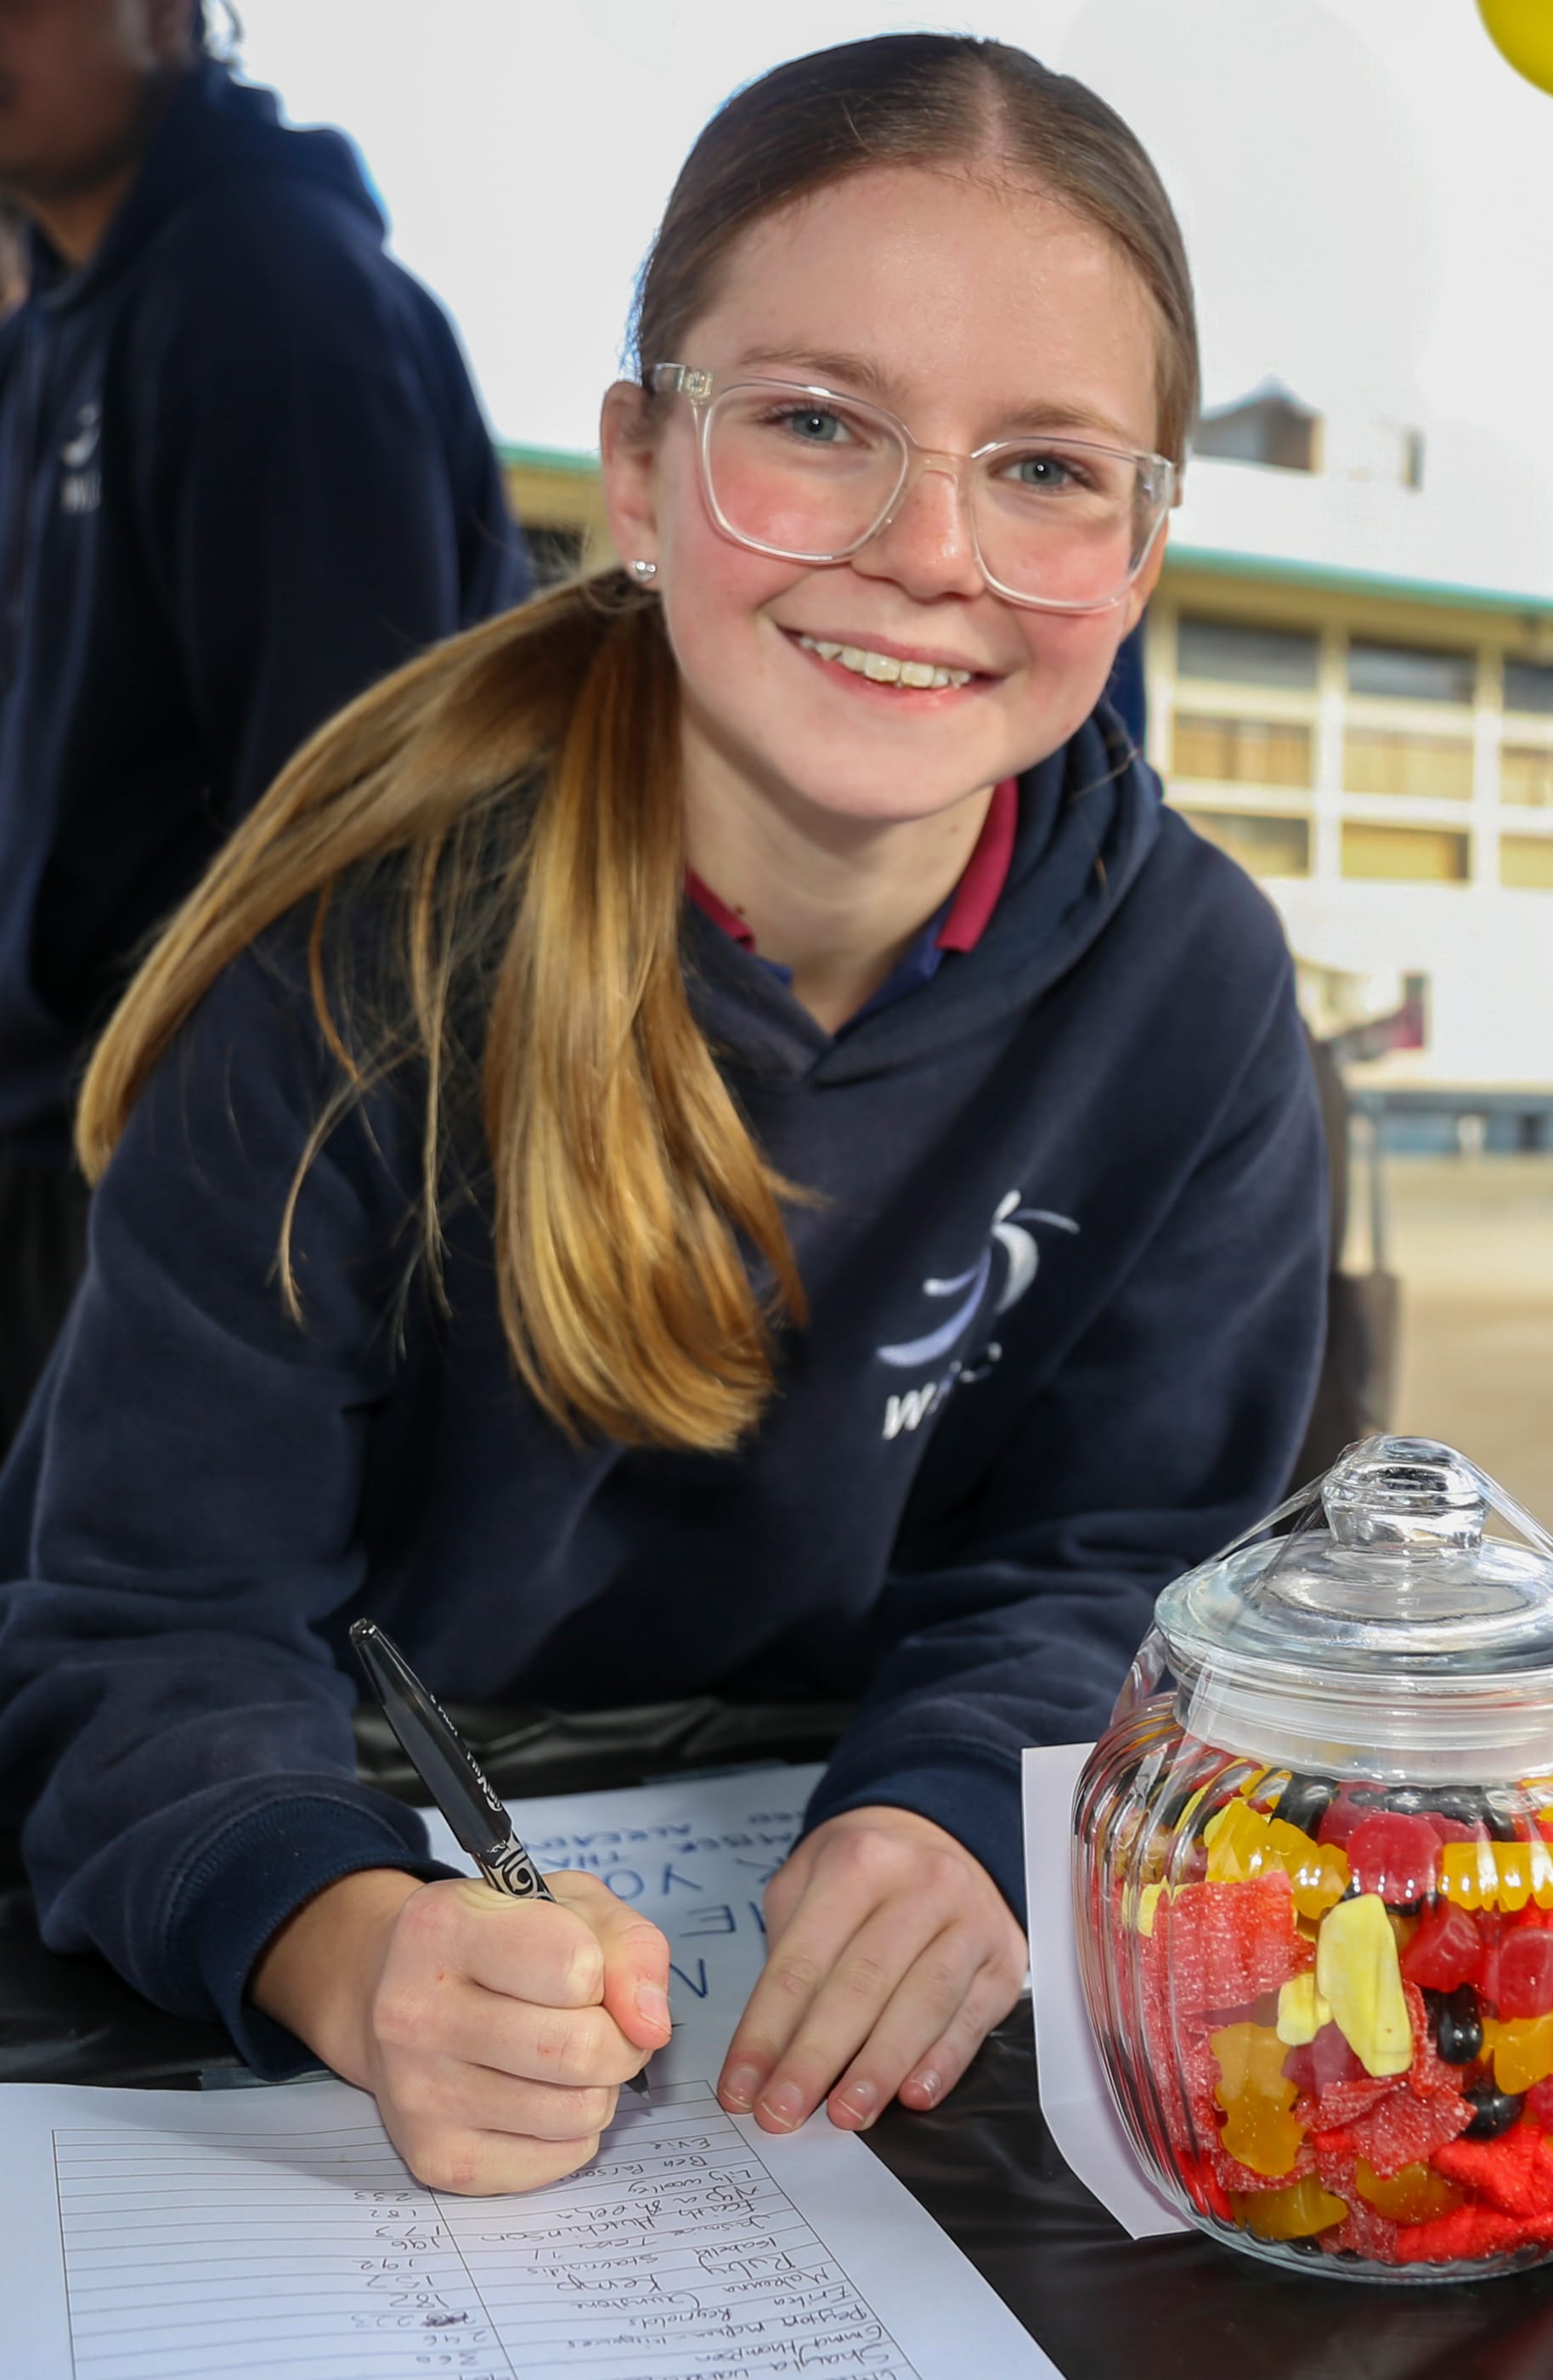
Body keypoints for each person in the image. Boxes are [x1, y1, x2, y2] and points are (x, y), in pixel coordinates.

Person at [0, 33, 1327, 2197]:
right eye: (815, 425)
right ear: (636, 466)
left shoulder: (1193, 995)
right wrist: (346, 1946)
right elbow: (148, 1623)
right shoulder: (358, 962)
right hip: (405, 1829)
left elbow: (1112, 1557)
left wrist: (955, 1803)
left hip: (813, 1931)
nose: (925, 551)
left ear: (1147, 545)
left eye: (1048, 467)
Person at [0, 0, 529, 1449]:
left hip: (198, 1163)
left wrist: (229, 1178)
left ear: (171, 18)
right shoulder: (56, 313)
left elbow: (357, 812)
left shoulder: (269, 290)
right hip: (55, 1118)